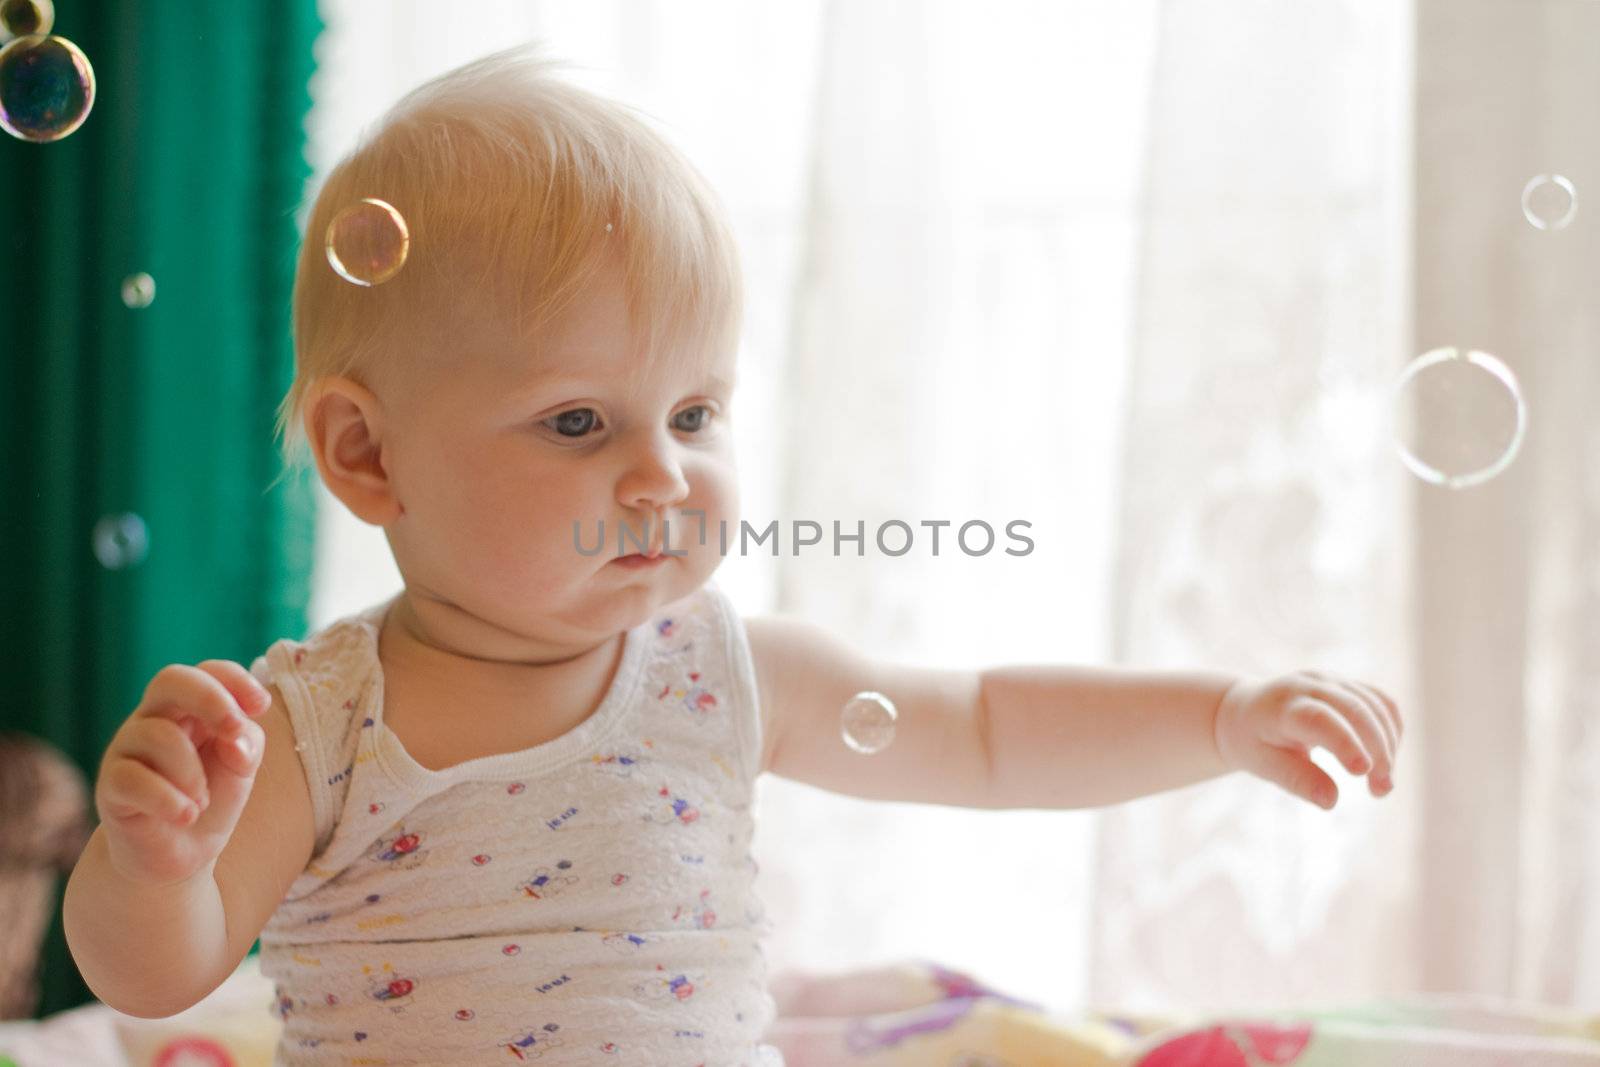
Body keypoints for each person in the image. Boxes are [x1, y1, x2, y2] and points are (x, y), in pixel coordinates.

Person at [61, 42, 1402, 1067]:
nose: (663, 473)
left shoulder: (718, 673)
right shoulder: (313, 726)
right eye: (579, 420)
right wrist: (157, 867)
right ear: (369, 458)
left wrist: (1219, 717)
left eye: (696, 414)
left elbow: (988, 730)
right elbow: (152, 979)